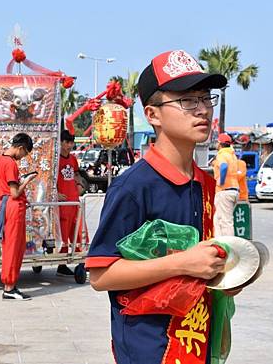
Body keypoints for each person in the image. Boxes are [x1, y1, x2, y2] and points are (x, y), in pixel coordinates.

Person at [86, 50, 229, 363]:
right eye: (187, 100)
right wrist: (183, 263)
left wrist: (223, 275)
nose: (203, 110)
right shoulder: (134, 187)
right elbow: (101, 275)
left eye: (206, 98)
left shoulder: (205, 183)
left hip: (196, 338)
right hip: (150, 349)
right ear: (152, 115)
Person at [0, 133, 36, 300]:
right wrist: (27, 181)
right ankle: (9, 287)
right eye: (24, 153)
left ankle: (10, 285)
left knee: (13, 246)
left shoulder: (2, 159)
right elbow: (15, 192)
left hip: (8, 205)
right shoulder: (10, 163)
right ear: (20, 148)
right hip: (13, 206)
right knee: (13, 247)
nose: (23, 157)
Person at [56, 130, 84, 276]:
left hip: (75, 201)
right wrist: (54, 193)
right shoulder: (55, 159)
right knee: (63, 234)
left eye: (71, 142)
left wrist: (80, 185)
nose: (69, 145)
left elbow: (77, 174)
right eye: (67, 142)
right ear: (60, 142)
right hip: (62, 204)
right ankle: (61, 263)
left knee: (77, 233)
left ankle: (80, 261)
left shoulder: (73, 159)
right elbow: (49, 179)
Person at [213, 133, 240, 236]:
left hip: (224, 190)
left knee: (225, 221)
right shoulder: (232, 155)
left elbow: (223, 167)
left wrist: (221, 181)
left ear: (220, 144)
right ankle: (220, 244)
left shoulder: (222, 155)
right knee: (218, 219)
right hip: (234, 190)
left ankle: (229, 246)